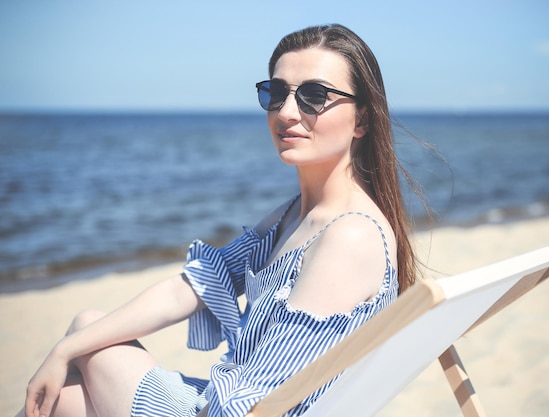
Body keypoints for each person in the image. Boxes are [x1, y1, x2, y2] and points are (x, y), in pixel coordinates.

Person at [24, 23, 423, 417]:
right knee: (80, 345)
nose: (286, 112)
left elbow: (262, 401)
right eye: (277, 93)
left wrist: (70, 349)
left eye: (314, 96)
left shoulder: (349, 236)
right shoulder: (291, 216)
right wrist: (63, 352)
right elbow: (193, 287)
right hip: (236, 403)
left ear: (362, 121)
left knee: (80, 347)